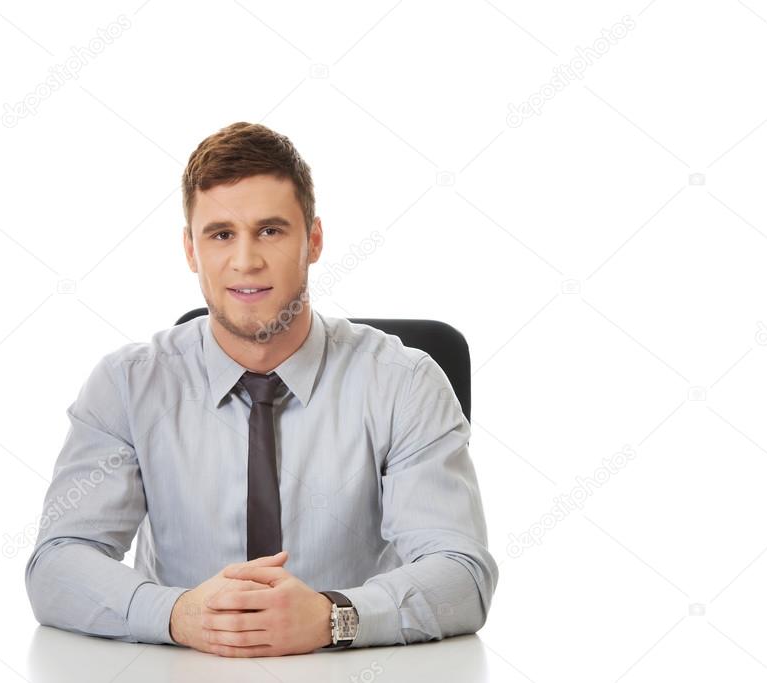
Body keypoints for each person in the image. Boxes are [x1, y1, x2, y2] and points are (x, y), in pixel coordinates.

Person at [24, 121, 498, 658]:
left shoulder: (404, 383)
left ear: (314, 240)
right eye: (221, 233)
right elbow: (58, 563)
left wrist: (332, 616)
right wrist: (180, 615)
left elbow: (463, 573)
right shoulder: (129, 385)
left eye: (270, 231)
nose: (246, 260)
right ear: (190, 249)